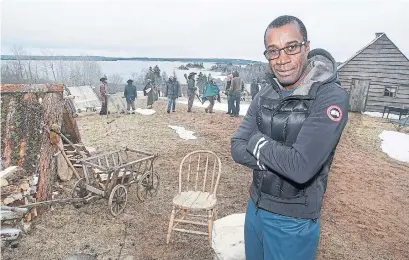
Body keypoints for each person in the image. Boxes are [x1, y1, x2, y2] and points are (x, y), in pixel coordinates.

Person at [231, 15, 349, 260]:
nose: (282, 59)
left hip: (293, 220)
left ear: (306, 47)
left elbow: (301, 167)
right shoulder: (266, 92)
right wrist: (282, 158)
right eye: (273, 51)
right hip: (256, 206)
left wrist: (256, 141)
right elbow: (236, 146)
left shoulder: (329, 96)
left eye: (291, 48)